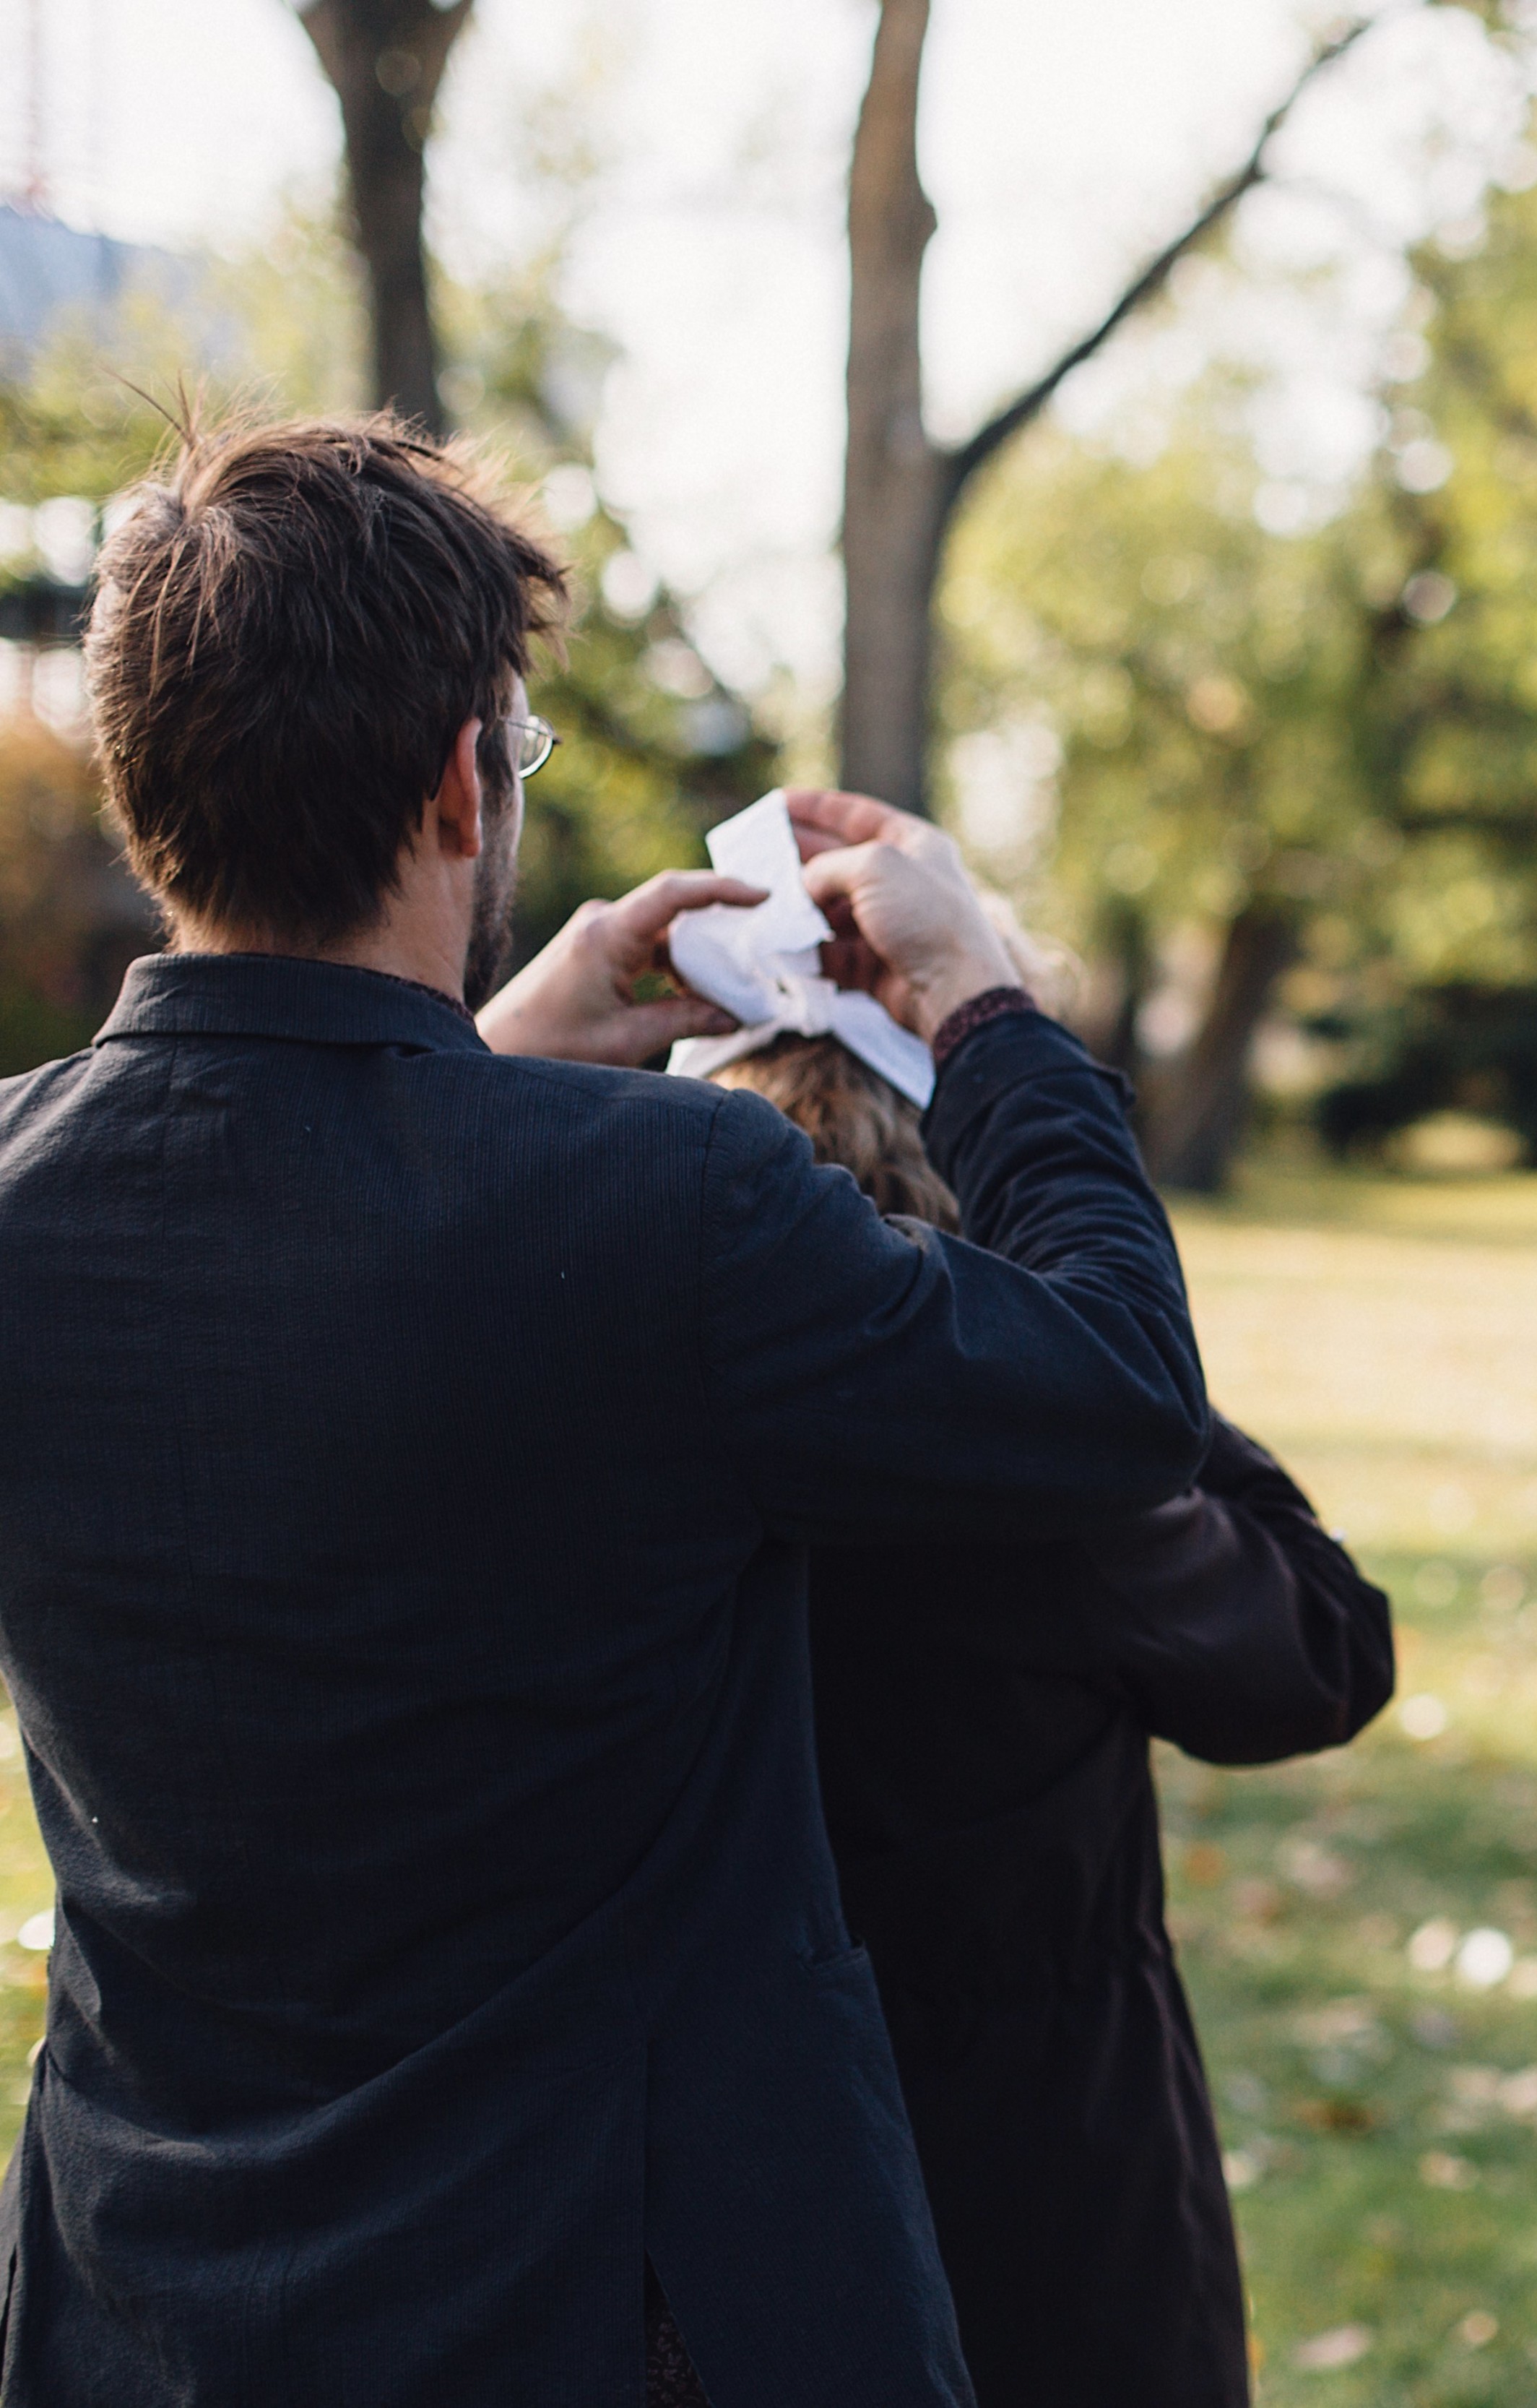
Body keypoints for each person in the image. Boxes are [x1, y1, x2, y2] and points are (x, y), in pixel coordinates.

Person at [0, 413, 1207, 2402]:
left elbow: (309, 1235)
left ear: (144, 790)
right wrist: (985, 1003)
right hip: (602, 2310)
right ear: (459, 782)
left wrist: (488, 1048)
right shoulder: (673, 1200)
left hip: (149, 2305)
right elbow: (1115, 1388)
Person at [698, 1029, 1393, 2408]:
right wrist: (1119, 1375)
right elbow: (1323, 1642)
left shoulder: (649, 1439)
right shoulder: (1048, 1493)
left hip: (731, 2170)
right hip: (1060, 2184)